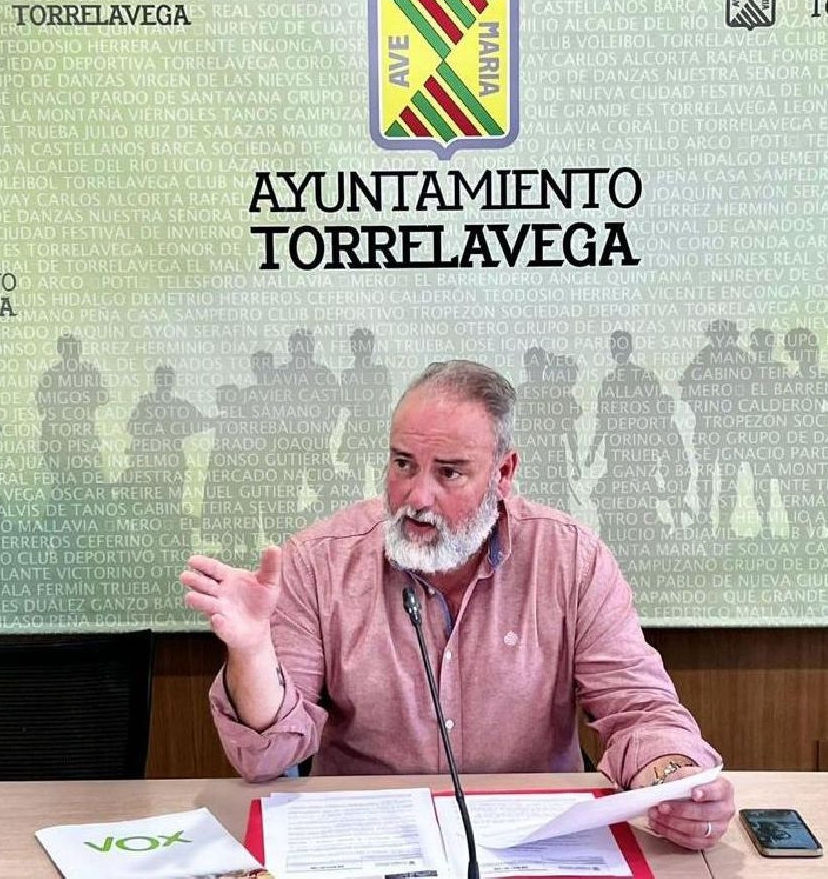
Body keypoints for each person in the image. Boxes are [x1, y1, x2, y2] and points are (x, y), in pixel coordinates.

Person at [182, 360, 735, 851]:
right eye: (404, 465)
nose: (417, 496)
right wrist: (251, 649)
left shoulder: (571, 558)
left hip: (534, 843)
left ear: (503, 474)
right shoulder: (319, 560)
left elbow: (640, 708)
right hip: (370, 840)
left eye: (449, 472)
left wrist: (675, 780)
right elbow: (265, 759)